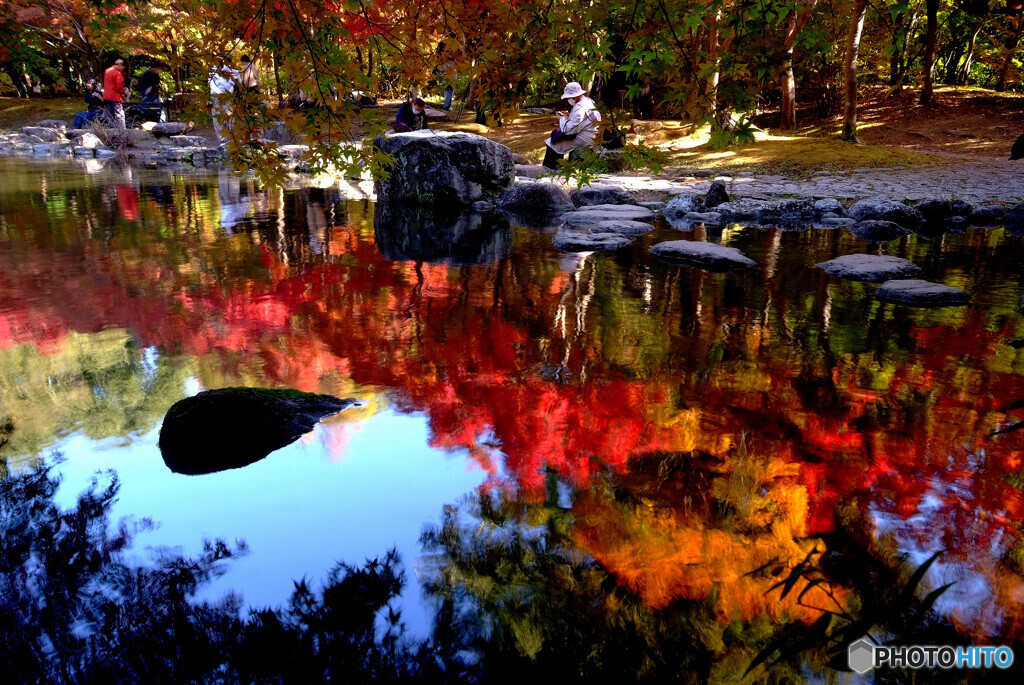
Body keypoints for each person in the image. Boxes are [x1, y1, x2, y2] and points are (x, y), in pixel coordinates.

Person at [542, 81, 602, 170]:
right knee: (554, 140)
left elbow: (569, 131)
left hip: (585, 138)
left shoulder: (580, 108)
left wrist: (562, 119)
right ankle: (553, 169)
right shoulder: (588, 101)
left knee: (553, 143)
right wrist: (569, 116)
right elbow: (582, 121)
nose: (568, 99)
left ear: (574, 96)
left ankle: (551, 170)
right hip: (590, 133)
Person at [209, 55, 239, 143]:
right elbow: (212, 86)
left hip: (227, 99)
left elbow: (233, 84)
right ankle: (222, 141)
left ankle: (231, 140)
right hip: (216, 99)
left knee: (229, 119)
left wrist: (227, 94)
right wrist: (220, 94)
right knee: (217, 121)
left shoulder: (230, 72)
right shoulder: (212, 73)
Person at [103, 59, 129, 128]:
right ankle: (122, 130)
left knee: (110, 114)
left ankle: (110, 129)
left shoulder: (107, 71)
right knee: (119, 114)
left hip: (106, 96)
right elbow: (119, 87)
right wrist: (125, 92)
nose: (123, 69)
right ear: (120, 64)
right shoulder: (117, 73)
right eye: (123, 67)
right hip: (115, 97)